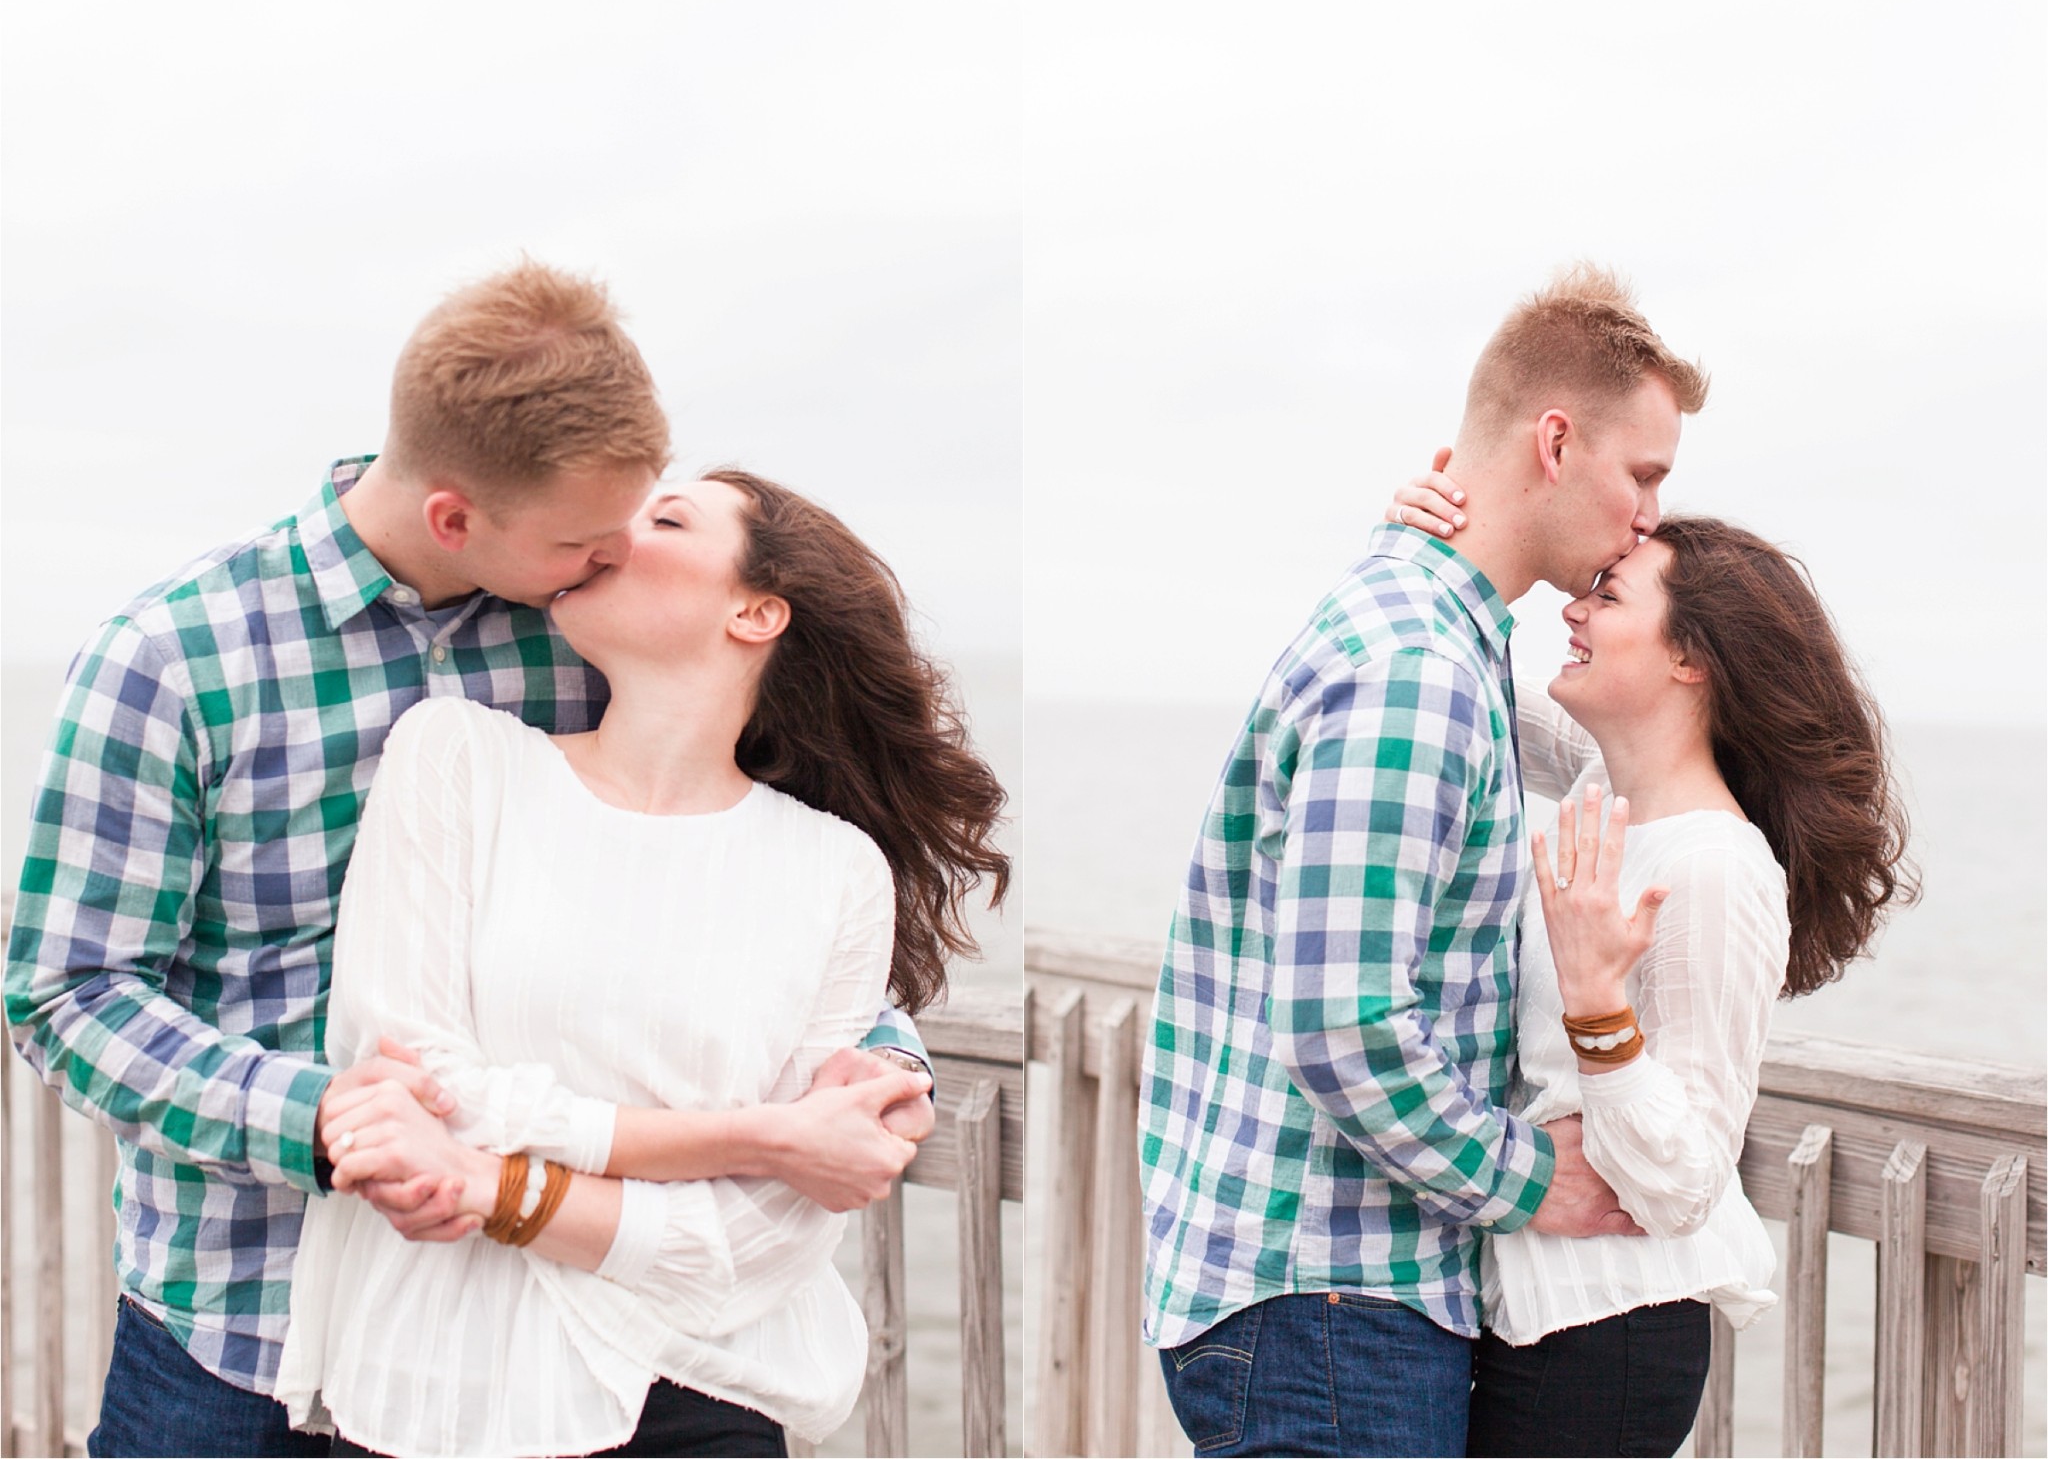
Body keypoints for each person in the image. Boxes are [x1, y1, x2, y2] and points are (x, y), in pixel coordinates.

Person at [5, 264, 938, 1459]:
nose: (607, 561)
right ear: (458, 518)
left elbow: (751, 871)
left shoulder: (580, 631)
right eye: (583, 541)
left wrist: (870, 1059)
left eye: (635, 523)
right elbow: (67, 995)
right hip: (237, 1319)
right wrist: (330, 1120)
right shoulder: (173, 662)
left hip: (520, 1329)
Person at [270, 470, 1008, 1455]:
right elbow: (419, 1083)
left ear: (754, 611)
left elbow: (769, 1234)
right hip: (441, 1394)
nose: (619, 530)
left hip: (703, 1397)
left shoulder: (836, 871)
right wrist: (760, 1135)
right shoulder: (460, 759)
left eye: (666, 518)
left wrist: (496, 1191)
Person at [1139, 265, 1709, 1457]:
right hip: (1328, 1300)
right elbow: (1342, 1021)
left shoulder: (1420, 629)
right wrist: (1525, 1181)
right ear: (1555, 441)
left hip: (1320, 1298)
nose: (1648, 513)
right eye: (1642, 474)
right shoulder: (1415, 669)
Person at [1388, 471, 1915, 1455]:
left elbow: (1684, 1181)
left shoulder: (1712, 866)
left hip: (1606, 1336)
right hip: (1528, 1310)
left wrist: (1594, 1002)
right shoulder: (1604, 782)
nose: (1570, 606)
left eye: (1607, 595)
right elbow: (1453, 682)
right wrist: (1427, 544)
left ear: (1688, 659)